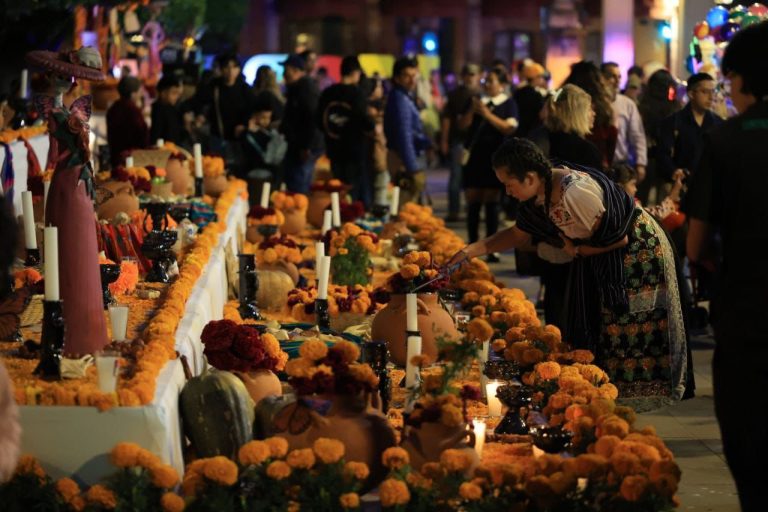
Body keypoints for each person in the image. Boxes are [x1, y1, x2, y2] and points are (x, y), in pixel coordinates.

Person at [450, 138, 688, 407]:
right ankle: (612, 391)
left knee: (629, 324)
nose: (507, 191)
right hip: (602, 252)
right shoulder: (540, 194)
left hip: (637, 252)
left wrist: (579, 252)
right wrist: (471, 250)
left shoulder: (573, 193)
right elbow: (517, 234)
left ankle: (634, 390)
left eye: (509, 184)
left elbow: (617, 238)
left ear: (529, 177)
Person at [684, 21, 768, 512]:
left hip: (747, 315)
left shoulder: (725, 140)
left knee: (750, 446)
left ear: (741, 79)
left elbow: (695, 244)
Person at [528, 84, 602, 330]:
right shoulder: (586, 151)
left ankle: (553, 353)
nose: (594, 114)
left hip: (547, 236)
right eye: (590, 109)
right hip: (577, 240)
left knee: (555, 298)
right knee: (576, 307)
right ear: (577, 112)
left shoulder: (541, 140)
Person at [462, 68, 518, 255]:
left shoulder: (508, 104)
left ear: (502, 85)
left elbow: (509, 128)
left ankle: (491, 248)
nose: (487, 84)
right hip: (475, 157)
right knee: (473, 200)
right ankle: (471, 245)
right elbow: (462, 125)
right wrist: (472, 109)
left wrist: (487, 114)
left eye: (491, 80)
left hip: (495, 157)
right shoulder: (476, 102)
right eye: (486, 80)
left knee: (492, 200)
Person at [316, 56, 373, 205]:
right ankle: (350, 220)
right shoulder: (357, 94)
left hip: (334, 148)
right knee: (353, 190)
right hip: (354, 149)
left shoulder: (328, 93)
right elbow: (363, 119)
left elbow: (319, 120)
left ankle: (338, 218)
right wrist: (372, 127)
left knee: (338, 188)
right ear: (355, 73)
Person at [656, 72, 722, 184]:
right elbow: (663, 155)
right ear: (691, 94)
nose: (711, 97)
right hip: (679, 185)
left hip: (709, 186)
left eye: (713, 92)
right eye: (705, 92)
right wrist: (674, 171)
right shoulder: (673, 122)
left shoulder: (718, 123)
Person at [384, 56, 432, 206]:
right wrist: (413, 168)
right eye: (407, 76)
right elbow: (404, 134)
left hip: (406, 158)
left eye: (414, 75)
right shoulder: (400, 100)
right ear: (397, 78)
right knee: (407, 208)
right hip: (404, 161)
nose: (412, 80)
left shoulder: (404, 96)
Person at [192, 54, 254, 171]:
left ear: (238, 69)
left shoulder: (245, 89)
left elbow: (252, 109)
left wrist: (244, 123)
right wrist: (199, 115)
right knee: (217, 168)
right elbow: (198, 101)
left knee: (238, 168)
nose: (230, 71)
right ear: (221, 69)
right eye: (227, 67)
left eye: (234, 67)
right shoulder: (214, 86)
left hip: (239, 137)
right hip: (218, 135)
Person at [440, 63, 481, 222]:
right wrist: (444, 140)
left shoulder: (483, 94)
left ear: (478, 76)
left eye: (473, 74)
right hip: (460, 140)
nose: (470, 78)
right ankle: (454, 210)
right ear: (463, 76)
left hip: (478, 141)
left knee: (474, 178)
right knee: (456, 176)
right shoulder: (455, 95)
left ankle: (472, 210)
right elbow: (447, 119)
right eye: (468, 74)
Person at [280, 53, 322, 193]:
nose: (284, 74)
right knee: (295, 182)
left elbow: (312, 119)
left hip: (304, 147)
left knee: (299, 185)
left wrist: (306, 146)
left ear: (297, 71)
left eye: (287, 70)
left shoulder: (305, 90)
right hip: (298, 145)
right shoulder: (296, 89)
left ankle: (297, 211)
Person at [637, 69, 681, 203]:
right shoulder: (674, 108)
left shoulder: (643, 106)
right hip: (668, 160)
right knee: (664, 201)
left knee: (642, 199)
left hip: (647, 158)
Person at [564, 61, 617, 171]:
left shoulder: (566, 101)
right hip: (595, 162)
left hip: (568, 161)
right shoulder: (603, 106)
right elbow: (611, 135)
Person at [601, 62, 648, 185]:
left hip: (620, 164)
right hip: (598, 164)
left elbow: (637, 135)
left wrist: (640, 163)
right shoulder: (594, 103)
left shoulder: (627, 104)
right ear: (602, 78)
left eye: (619, 77)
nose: (617, 81)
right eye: (612, 76)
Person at [106, 75, 149, 169]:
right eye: (139, 91)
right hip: (131, 159)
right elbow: (142, 135)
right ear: (133, 94)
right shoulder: (133, 110)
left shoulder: (113, 108)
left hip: (116, 156)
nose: (141, 94)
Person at [514, 60, 549, 138]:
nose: (542, 80)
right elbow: (541, 115)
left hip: (518, 130)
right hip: (532, 132)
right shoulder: (537, 95)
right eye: (541, 77)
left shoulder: (518, 92)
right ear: (536, 77)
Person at [150, 74, 184, 145]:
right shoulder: (157, 110)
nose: (177, 97)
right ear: (163, 93)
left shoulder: (173, 109)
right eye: (174, 93)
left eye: (178, 94)